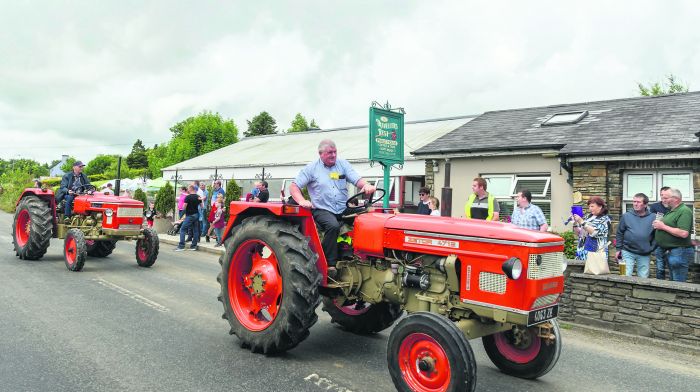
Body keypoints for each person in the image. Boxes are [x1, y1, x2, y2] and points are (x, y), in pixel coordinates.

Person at [290, 139, 376, 274]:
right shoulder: (311, 168)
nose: (333, 155)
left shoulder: (343, 165)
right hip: (322, 209)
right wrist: (302, 201)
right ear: (321, 154)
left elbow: (356, 179)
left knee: (367, 217)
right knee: (333, 225)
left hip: (342, 208)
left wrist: (365, 185)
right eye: (330, 152)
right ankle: (329, 264)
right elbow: (294, 186)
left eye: (335, 152)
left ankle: (365, 256)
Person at [652, 188, 694, 282]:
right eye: (662, 198)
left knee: (678, 283)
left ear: (676, 199)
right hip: (673, 251)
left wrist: (662, 226)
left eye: (666, 198)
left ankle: (679, 297)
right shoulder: (672, 210)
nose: (663, 200)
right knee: (673, 282)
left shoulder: (684, 211)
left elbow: (683, 233)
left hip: (679, 252)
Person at [615, 193, 655, 278]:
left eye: (638, 202)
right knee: (625, 275)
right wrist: (618, 249)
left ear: (645, 204)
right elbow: (619, 233)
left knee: (643, 277)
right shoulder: (626, 216)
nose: (635, 204)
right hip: (627, 251)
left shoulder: (653, 217)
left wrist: (651, 248)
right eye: (634, 201)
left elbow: (657, 235)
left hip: (644, 252)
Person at [573, 196, 611, 261]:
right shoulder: (588, 217)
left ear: (600, 206)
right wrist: (575, 223)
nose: (590, 208)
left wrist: (582, 222)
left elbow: (594, 233)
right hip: (582, 254)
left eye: (592, 206)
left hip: (596, 255)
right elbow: (580, 234)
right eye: (589, 206)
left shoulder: (605, 219)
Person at [649, 186, 671, 279]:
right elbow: (653, 223)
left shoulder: (675, 207)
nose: (664, 199)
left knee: (672, 266)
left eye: (666, 197)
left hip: (672, 241)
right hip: (658, 241)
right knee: (660, 267)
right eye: (662, 196)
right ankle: (660, 286)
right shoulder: (655, 207)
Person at [176, 185, 201, 251]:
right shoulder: (198, 197)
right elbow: (202, 206)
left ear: (190, 189)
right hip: (196, 214)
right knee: (195, 230)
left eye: (188, 189)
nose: (187, 190)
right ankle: (193, 246)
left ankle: (181, 246)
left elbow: (184, 207)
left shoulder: (188, 197)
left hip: (189, 215)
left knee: (183, 229)